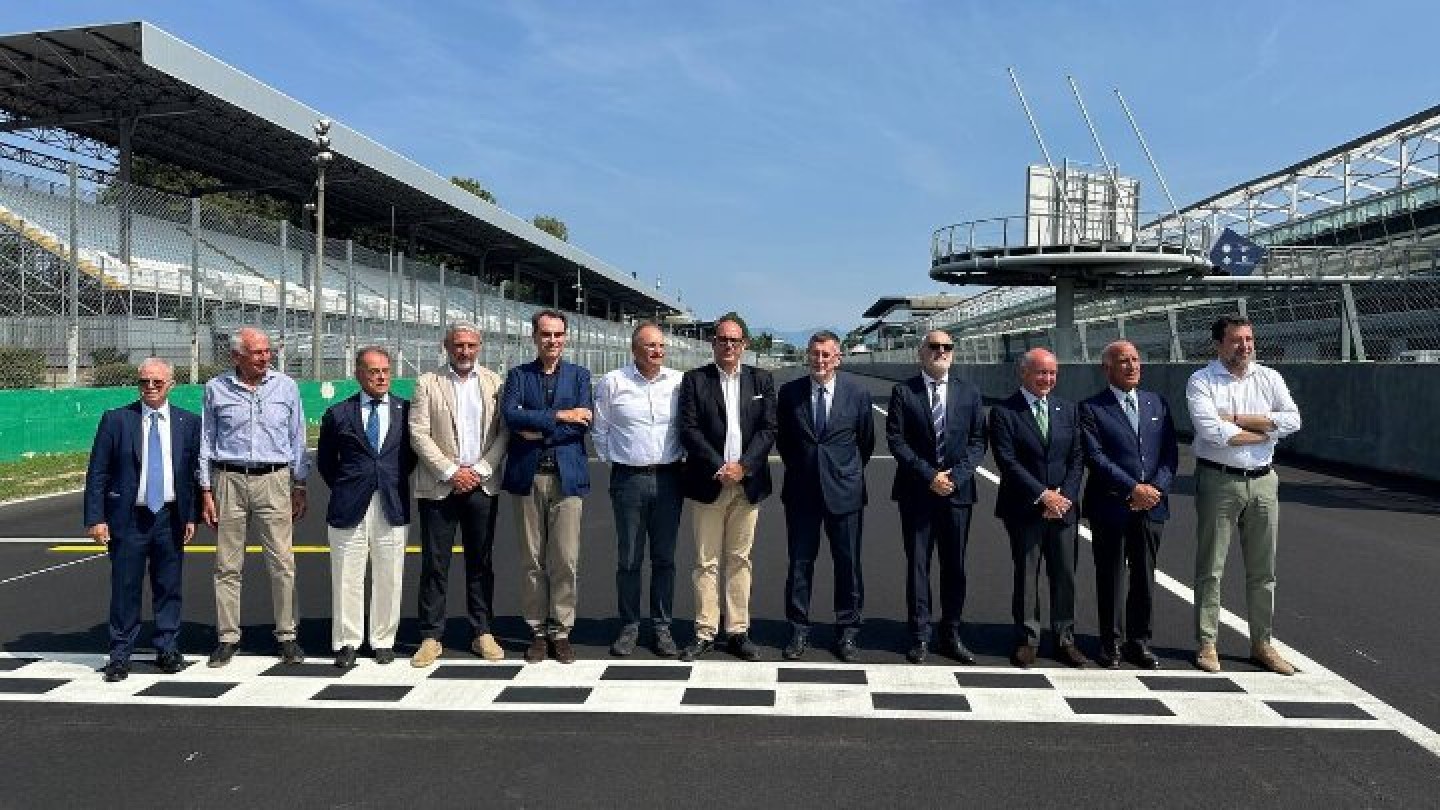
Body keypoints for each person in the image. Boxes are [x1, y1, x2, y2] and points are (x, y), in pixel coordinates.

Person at [1187, 315, 1302, 675]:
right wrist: (1266, 430)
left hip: (1264, 481)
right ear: (1219, 344)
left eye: (1249, 339)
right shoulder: (1202, 381)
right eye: (1237, 340)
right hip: (1218, 481)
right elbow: (1211, 431)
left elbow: (1293, 420)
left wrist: (1237, 418)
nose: (1245, 346)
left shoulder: (1269, 377)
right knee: (1211, 568)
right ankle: (1207, 643)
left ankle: (1262, 644)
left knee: (1263, 570)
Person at [83, 358, 201, 682]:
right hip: (128, 518)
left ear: (170, 385)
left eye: (157, 382)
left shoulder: (189, 423)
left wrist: (190, 515)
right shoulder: (116, 420)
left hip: (169, 516)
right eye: (144, 382)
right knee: (125, 588)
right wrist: (96, 518)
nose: (150, 388)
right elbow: (98, 473)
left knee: (169, 586)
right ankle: (120, 654)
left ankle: (167, 647)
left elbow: (192, 474)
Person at [200, 327, 309, 667]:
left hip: (274, 480)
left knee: (282, 562)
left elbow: (298, 437)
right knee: (227, 565)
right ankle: (228, 637)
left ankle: (287, 636)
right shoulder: (215, 389)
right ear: (237, 356)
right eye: (257, 352)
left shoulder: (286, 387)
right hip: (229, 479)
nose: (265, 357)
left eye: (267, 351)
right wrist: (205, 488)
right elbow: (206, 439)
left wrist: (300, 484)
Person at [676, 316, 778, 662]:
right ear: (714, 343)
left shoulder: (761, 380)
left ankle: (737, 631)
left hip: (748, 484)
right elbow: (688, 429)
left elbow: (768, 430)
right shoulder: (695, 380)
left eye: (735, 340)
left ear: (745, 344)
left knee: (740, 560)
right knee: (706, 561)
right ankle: (705, 631)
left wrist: (743, 466)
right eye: (722, 339)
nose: (729, 346)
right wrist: (720, 467)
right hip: (710, 481)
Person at [408, 323, 510, 668]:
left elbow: (503, 433)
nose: (464, 351)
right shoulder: (427, 383)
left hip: (481, 483)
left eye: (470, 345)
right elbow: (418, 434)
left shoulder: (495, 383)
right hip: (440, 485)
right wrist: (451, 472)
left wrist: (479, 470)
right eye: (458, 345)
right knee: (435, 564)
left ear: (479, 346)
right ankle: (431, 636)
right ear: (446, 346)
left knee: (480, 562)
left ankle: (482, 631)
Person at [885, 330, 987, 665]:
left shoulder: (970, 393)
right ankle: (919, 635)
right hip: (917, 492)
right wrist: (930, 475)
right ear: (921, 353)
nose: (941, 351)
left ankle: (951, 633)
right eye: (934, 347)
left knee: (954, 566)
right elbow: (897, 441)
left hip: (957, 493)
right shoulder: (903, 392)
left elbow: (977, 443)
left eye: (947, 347)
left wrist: (954, 478)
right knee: (918, 566)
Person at [775, 330, 875, 662]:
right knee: (800, 565)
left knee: (849, 565)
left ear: (838, 358)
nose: (820, 360)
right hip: (802, 492)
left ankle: (847, 631)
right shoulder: (790, 394)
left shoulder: (857, 394)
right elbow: (785, 443)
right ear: (808, 355)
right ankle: (798, 629)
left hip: (844, 493)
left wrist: (842, 471)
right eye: (815, 353)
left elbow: (866, 443)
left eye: (826, 354)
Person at [1080, 340, 1178, 670]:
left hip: (1151, 506)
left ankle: (1139, 642)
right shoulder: (1091, 408)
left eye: (1135, 360)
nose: (1132, 366)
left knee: (1144, 577)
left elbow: (1169, 455)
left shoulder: (1157, 403)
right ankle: (1110, 643)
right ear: (1107, 368)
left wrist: (1155, 490)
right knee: (1110, 577)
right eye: (1123, 361)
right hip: (1111, 506)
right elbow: (1096, 458)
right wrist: (1132, 488)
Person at [316, 346, 417, 668]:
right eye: (374, 371)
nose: (381, 376)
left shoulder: (406, 410)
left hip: (392, 502)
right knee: (347, 575)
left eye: (386, 370)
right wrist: (351, 485)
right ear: (359, 374)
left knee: (390, 575)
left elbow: (410, 458)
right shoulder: (338, 413)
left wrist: (385, 480)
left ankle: (383, 640)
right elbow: (326, 462)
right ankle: (347, 641)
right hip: (349, 504)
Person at [502, 309, 593, 665]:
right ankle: (538, 631)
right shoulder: (518, 376)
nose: (551, 341)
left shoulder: (580, 376)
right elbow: (512, 416)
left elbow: (582, 425)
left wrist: (537, 425)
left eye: (557, 335)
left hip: (567, 477)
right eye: (545, 335)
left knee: (566, 559)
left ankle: (561, 630)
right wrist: (558, 416)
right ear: (534, 337)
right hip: (529, 476)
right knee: (531, 559)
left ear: (565, 337)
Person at [989, 348, 1089, 669]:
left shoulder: (1068, 409)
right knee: (1027, 576)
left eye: (1052, 373)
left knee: (1065, 576)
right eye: (1040, 373)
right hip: (1024, 506)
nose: (1047, 379)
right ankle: (1028, 639)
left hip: (1063, 508)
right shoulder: (1004, 412)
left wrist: (1065, 497)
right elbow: (1008, 461)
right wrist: (1043, 495)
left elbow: (1077, 458)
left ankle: (1064, 638)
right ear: (1024, 373)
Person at [592, 321, 685, 658]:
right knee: (629, 558)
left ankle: (662, 628)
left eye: (660, 346)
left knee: (665, 559)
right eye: (649, 346)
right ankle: (630, 626)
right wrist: (618, 461)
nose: (657, 351)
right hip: (628, 480)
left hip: (670, 479)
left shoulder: (678, 383)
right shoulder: (613, 382)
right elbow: (599, 431)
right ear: (634, 349)